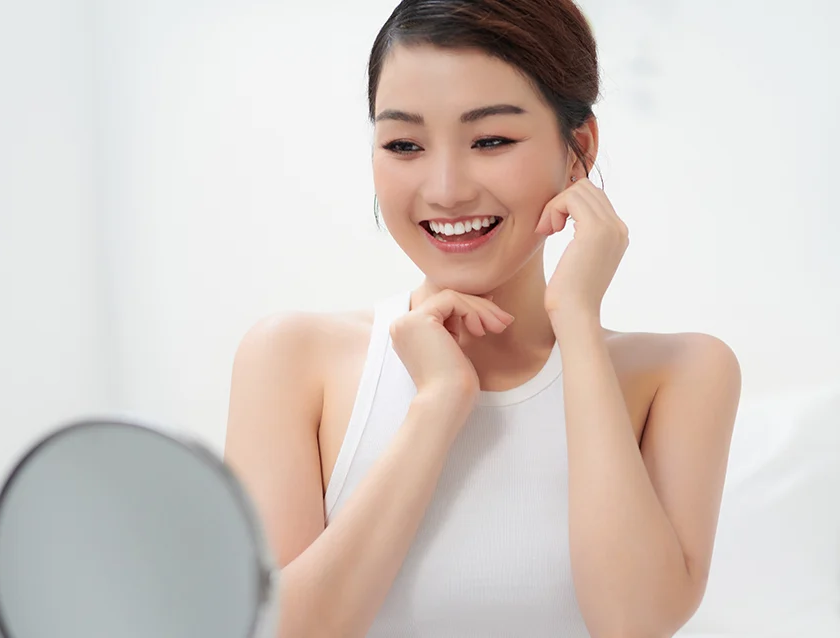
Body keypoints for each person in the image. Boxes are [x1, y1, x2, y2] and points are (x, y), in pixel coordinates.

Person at [223, 1, 742, 636]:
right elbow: (278, 632)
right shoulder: (293, 358)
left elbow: (634, 623)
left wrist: (576, 322)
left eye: (490, 140)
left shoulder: (680, 374)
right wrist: (438, 405)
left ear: (578, 149)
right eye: (404, 144)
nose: (445, 189)